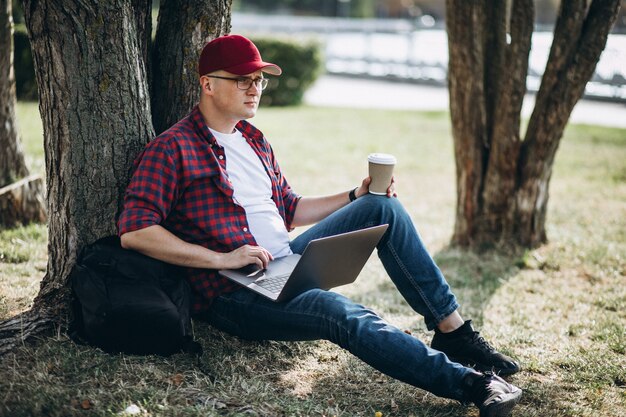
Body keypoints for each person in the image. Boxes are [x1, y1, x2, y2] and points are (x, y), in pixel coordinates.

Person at [118, 34, 522, 416]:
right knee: (341, 313)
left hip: (286, 265)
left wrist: (355, 196)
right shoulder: (172, 148)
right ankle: (472, 385)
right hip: (234, 293)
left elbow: (290, 209)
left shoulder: (253, 139)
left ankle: (454, 332)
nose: (254, 88)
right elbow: (135, 231)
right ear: (207, 84)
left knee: (383, 206)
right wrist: (223, 257)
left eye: (258, 80)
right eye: (243, 80)